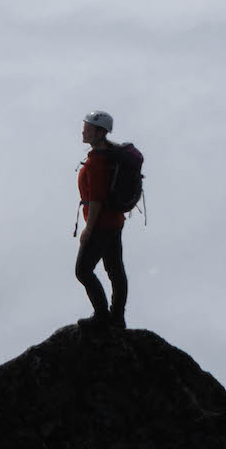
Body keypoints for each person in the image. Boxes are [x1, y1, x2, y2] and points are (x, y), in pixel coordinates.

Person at [74, 109, 128, 330]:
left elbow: (95, 199)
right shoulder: (110, 154)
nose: (83, 131)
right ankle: (117, 317)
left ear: (98, 132)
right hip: (114, 222)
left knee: (83, 270)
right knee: (115, 270)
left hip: (101, 225)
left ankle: (102, 316)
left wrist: (88, 229)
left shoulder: (97, 161)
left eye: (87, 128)